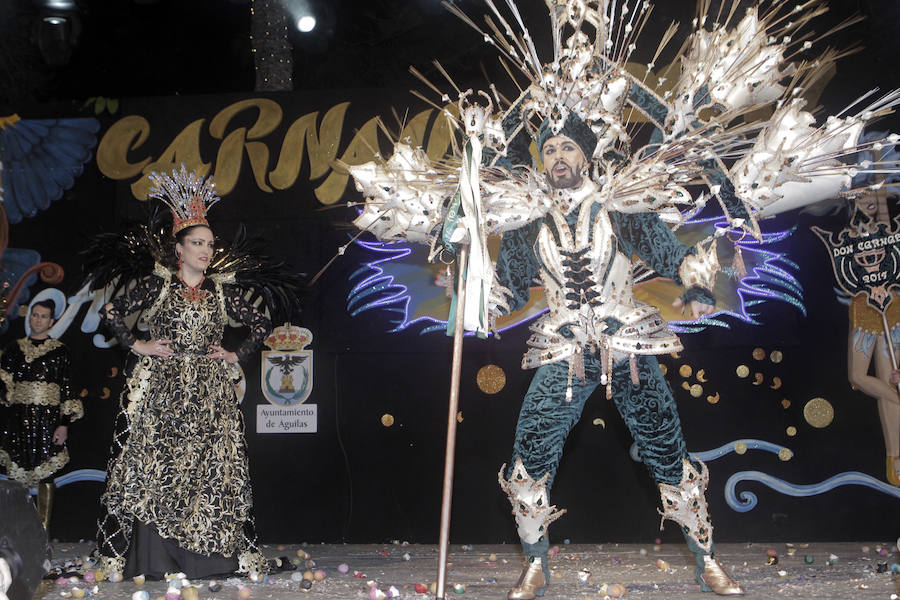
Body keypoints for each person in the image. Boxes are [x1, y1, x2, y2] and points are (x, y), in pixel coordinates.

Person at [92, 166, 272, 579]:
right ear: (180, 249)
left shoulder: (221, 290)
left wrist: (234, 354)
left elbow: (261, 324)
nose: (206, 251)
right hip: (164, 391)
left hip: (210, 394)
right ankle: (157, 560)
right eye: (197, 243)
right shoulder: (158, 286)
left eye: (209, 243)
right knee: (159, 469)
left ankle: (207, 560)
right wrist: (139, 345)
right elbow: (112, 312)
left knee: (211, 471)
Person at [0, 299, 83, 531]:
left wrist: (64, 424)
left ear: (51, 321)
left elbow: (67, 389)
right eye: (35, 315)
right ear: (30, 318)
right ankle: (16, 531)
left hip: (47, 422)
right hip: (17, 419)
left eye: (43, 316)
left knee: (47, 474)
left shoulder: (60, 351)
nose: (38, 320)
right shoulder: (14, 349)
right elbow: (4, 385)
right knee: (16, 476)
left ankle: (43, 530)